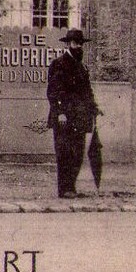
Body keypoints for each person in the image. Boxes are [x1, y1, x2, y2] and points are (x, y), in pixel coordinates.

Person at [45, 29, 98, 198]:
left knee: (78, 152)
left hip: (80, 117)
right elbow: (54, 91)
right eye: (75, 43)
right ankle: (64, 189)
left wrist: (94, 107)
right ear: (68, 44)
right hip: (65, 118)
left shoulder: (81, 65)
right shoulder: (59, 63)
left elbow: (87, 91)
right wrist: (60, 112)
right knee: (65, 152)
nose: (79, 46)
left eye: (81, 43)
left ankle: (72, 187)